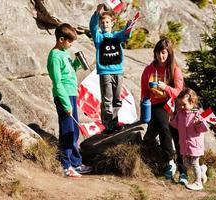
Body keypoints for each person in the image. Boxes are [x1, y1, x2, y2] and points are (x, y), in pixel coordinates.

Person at [47, 23, 92, 177]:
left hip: (71, 94)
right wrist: (66, 104)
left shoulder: (64, 53)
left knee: (74, 130)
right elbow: (57, 82)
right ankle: (66, 166)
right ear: (61, 39)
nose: (71, 44)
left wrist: (76, 64)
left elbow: (69, 71)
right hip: (63, 96)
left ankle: (76, 163)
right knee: (67, 130)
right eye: (69, 41)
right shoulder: (54, 56)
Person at [141, 38, 184, 180]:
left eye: (164, 53)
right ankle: (169, 161)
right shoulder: (149, 70)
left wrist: (165, 87)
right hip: (155, 104)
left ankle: (178, 164)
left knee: (171, 130)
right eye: (158, 53)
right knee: (161, 127)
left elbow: (179, 92)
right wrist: (144, 101)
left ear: (169, 53)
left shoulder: (175, 70)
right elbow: (144, 90)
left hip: (172, 103)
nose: (161, 56)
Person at [89, 3, 132, 134]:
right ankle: (108, 125)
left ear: (112, 23)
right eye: (102, 23)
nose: (105, 25)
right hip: (105, 72)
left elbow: (126, 34)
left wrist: (129, 26)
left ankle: (114, 121)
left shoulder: (116, 36)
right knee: (107, 99)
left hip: (118, 71)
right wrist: (97, 13)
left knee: (116, 99)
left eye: (107, 22)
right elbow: (93, 27)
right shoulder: (98, 38)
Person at [170, 88, 208, 190]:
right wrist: (171, 118)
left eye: (184, 104)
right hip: (184, 143)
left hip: (194, 143)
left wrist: (198, 123)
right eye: (180, 104)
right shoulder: (180, 113)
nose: (182, 107)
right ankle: (202, 170)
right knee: (187, 163)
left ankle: (198, 183)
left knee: (194, 162)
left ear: (192, 102)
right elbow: (176, 125)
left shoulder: (197, 113)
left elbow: (204, 128)